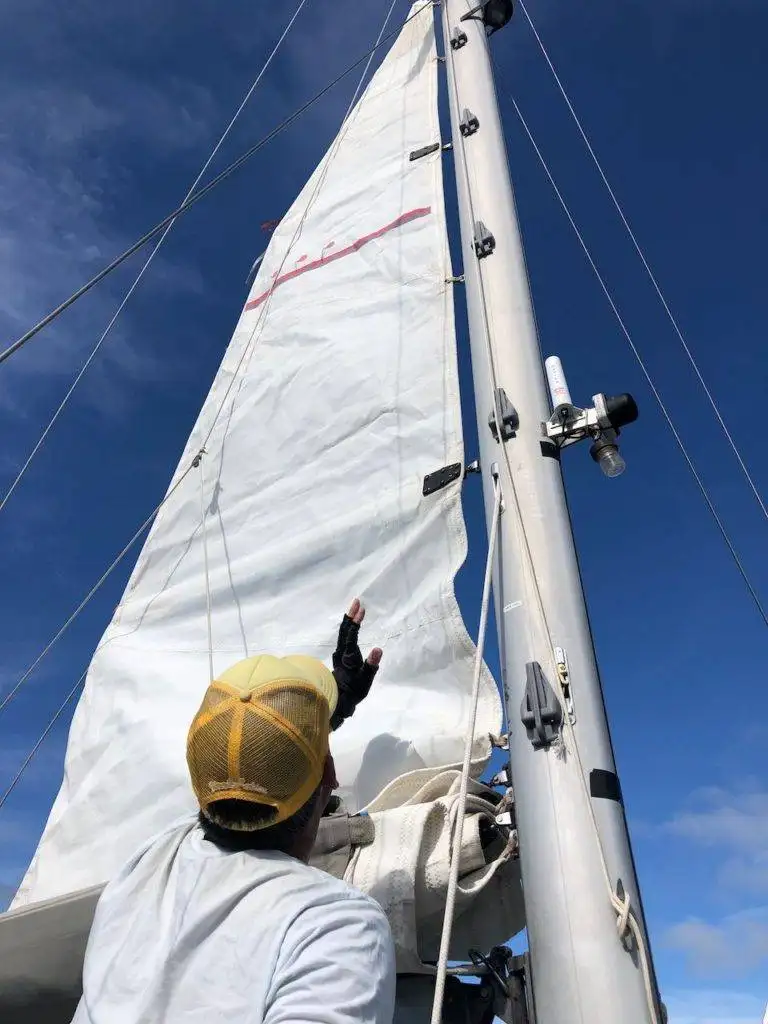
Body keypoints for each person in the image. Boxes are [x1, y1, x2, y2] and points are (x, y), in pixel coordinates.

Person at [72, 600, 395, 1024]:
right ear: (330, 776)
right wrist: (333, 707)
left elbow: (246, 763)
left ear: (201, 784)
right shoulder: (337, 927)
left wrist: (323, 718)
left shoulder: (146, 867)